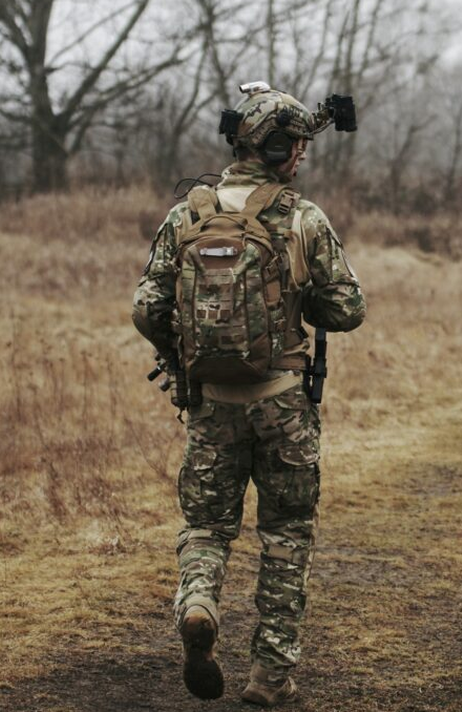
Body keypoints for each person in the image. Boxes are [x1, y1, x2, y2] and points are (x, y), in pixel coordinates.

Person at [131, 83, 366, 707]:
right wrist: (299, 300)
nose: (303, 156)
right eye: (298, 146)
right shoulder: (302, 217)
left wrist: (182, 359)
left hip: (210, 403)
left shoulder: (187, 215)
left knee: (206, 526)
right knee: (287, 534)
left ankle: (199, 603)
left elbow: (146, 306)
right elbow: (348, 310)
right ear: (279, 148)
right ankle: (270, 676)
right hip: (284, 403)